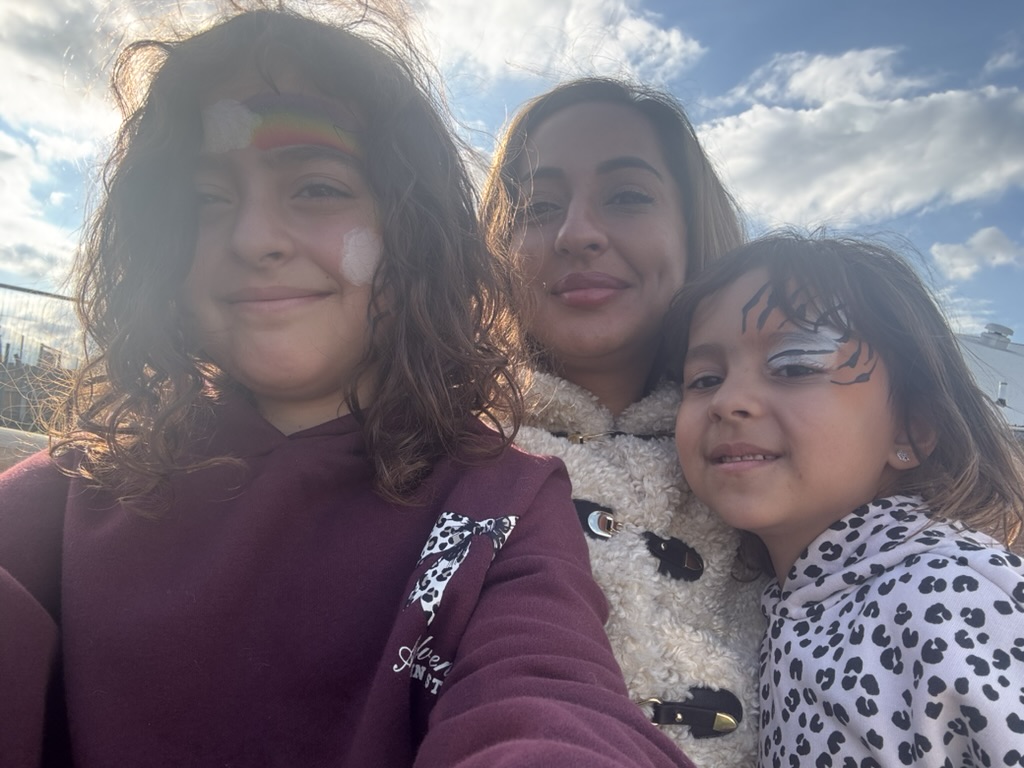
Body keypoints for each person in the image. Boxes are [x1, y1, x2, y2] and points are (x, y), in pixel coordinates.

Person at [0, 6, 698, 767]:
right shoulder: (76, 489)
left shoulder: (502, 505)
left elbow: (549, 698)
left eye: (317, 188)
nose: (254, 237)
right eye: (207, 200)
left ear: (413, 233)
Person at [481, 78, 766, 767]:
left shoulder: (786, 453)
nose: (577, 233)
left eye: (628, 196)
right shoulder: (426, 454)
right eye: (538, 206)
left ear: (694, 230)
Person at [667, 231, 1024, 767]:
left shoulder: (954, 596)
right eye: (704, 378)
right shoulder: (773, 607)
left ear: (911, 428)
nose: (728, 400)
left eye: (793, 367)